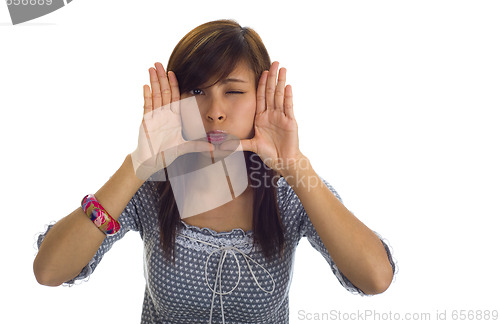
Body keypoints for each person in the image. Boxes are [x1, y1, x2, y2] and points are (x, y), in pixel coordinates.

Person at [33, 19, 396, 324]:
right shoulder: (151, 187)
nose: (214, 111)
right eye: (197, 90)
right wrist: (138, 166)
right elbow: (49, 272)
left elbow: (375, 279)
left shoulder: (289, 191)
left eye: (233, 91)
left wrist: (295, 165)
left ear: (260, 97)